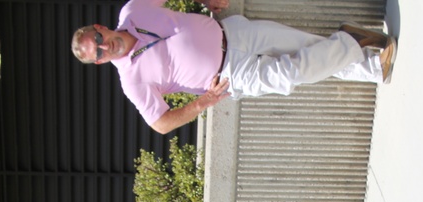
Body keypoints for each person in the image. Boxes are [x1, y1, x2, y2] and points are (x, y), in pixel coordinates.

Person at [71, 0, 397, 134]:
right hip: (228, 77)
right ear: (99, 62)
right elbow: (160, 122)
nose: (103, 46)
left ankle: (372, 66)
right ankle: (351, 41)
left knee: (309, 47)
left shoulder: (132, 9)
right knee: (290, 75)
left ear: (101, 27)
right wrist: (202, 103)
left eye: (98, 38)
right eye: (96, 52)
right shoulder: (131, 80)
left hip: (234, 32)